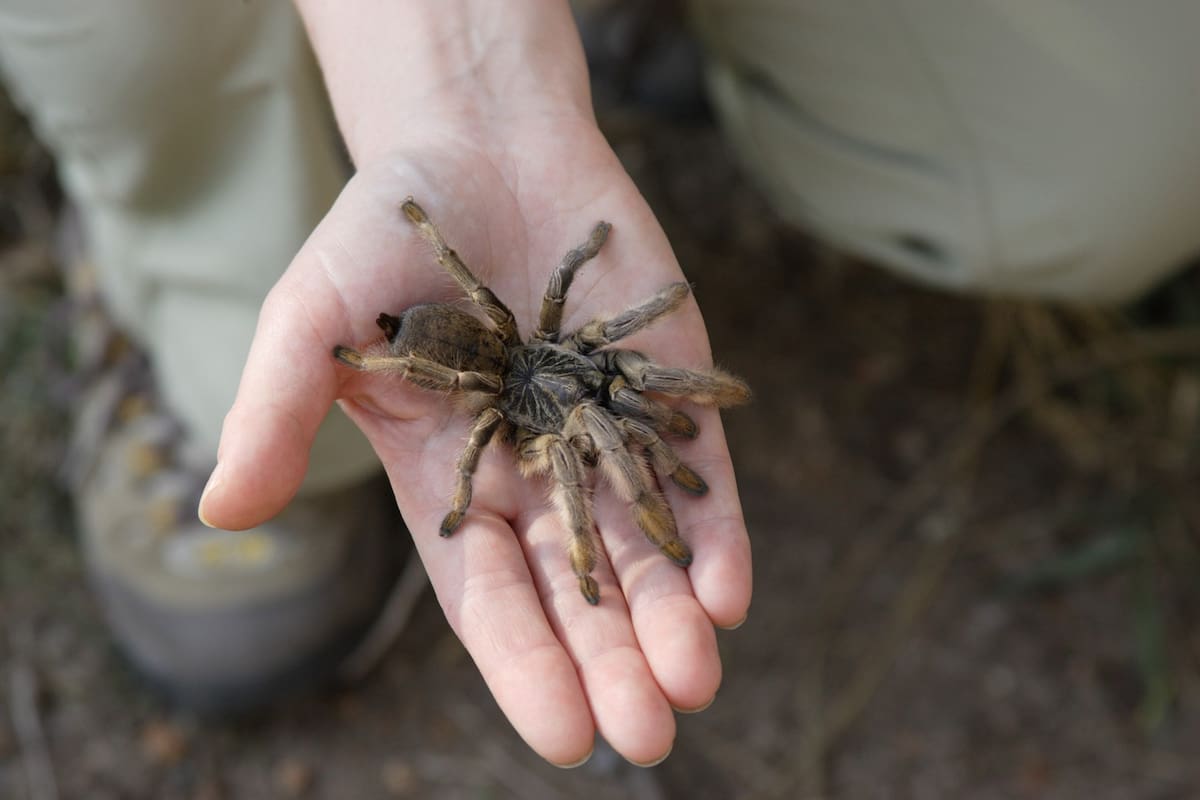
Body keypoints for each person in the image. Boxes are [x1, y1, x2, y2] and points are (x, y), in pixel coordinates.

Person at [4, 0, 1199, 771]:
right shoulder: (495, 380)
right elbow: (500, 424)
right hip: (482, 337)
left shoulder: (568, 342)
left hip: (532, 349)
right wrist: (455, 98)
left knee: (1109, 155)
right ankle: (179, 244)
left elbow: (591, 313)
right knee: (148, 60)